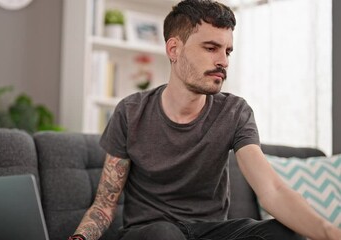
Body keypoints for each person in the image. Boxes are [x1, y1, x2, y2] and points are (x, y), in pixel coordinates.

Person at [68, 0, 341, 239]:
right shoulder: (130, 112)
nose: (223, 61)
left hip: (211, 232)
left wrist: (329, 233)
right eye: (211, 48)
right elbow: (104, 205)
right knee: (164, 233)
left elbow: (271, 189)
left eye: (228, 51)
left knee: (287, 233)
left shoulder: (235, 112)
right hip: (152, 233)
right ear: (174, 49)